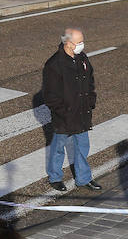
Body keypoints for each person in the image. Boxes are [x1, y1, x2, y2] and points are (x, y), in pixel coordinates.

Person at [43, 28, 103, 193]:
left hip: (82, 112)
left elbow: (90, 79)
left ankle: (83, 178)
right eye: (79, 42)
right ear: (68, 44)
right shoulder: (54, 65)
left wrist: (91, 100)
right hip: (64, 115)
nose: (82, 45)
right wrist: (64, 112)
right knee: (58, 146)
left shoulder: (82, 58)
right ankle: (55, 177)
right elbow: (50, 95)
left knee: (83, 146)